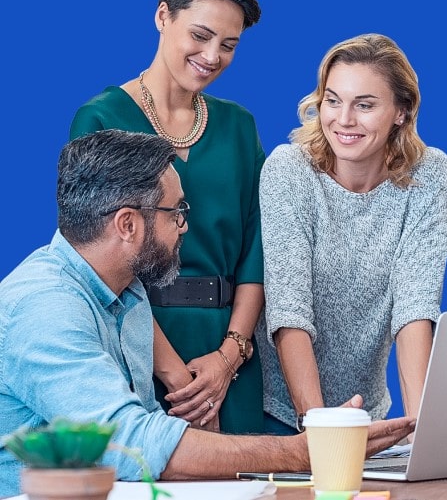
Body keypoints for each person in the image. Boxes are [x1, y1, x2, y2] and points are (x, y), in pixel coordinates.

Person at [0, 130, 415, 498]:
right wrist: (304, 452)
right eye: (175, 212)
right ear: (127, 224)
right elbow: (126, 442)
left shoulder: (127, 290)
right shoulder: (43, 307)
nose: (184, 227)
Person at [69, 0, 265, 434]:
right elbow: (92, 259)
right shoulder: (99, 119)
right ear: (162, 16)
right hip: (136, 344)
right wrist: (180, 381)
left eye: (229, 44)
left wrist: (228, 357)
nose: (213, 56)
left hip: (229, 356)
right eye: (200, 35)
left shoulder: (240, 127)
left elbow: (259, 251)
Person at [257, 33, 447, 435]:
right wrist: (317, 425)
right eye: (333, 100)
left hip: (366, 411)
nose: (343, 120)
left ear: (402, 111)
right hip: (278, 412)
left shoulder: (431, 175)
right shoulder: (288, 169)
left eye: (364, 105)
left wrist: (420, 432)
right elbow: (288, 308)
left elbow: (415, 308)